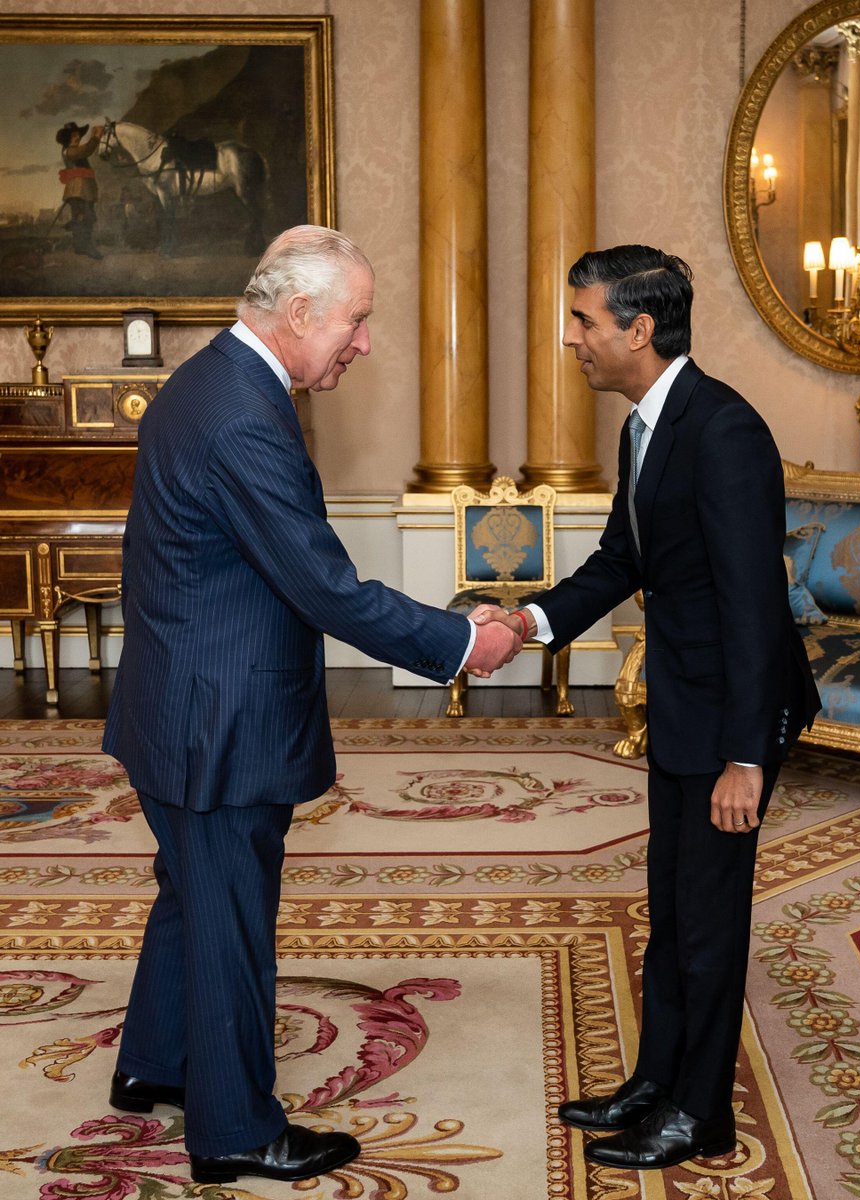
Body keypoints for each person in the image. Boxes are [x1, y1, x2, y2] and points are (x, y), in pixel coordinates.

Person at [101, 225, 521, 1186]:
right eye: (357, 320)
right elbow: (326, 587)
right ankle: (237, 1131)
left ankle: (156, 1065)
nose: (364, 343)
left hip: (179, 698)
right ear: (297, 315)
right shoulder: (244, 414)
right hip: (220, 720)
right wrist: (462, 641)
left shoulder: (209, 379)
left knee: (191, 891)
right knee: (231, 919)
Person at [472, 244, 820, 1171]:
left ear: (639, 329)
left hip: (730, 720)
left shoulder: (725, 431)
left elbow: (755, 603)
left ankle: (699, 1114)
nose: (571, 338)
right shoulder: (646, 426)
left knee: (708, 922)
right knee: (673, 910)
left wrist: (748, 754)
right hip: (686, 703)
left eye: (584, 321)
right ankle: (656, 1082)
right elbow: (625, 560)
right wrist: (534, 619)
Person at [55, 121, 104, 260]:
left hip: (81, 190)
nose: (77, 138)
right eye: (74, 135)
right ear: (67, 138)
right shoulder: (70, 151)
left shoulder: (72, 150)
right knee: (85, 218)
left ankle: (80, 247)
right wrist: (97, 136)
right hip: (79, 190)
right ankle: (86, 247)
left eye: (78, 135)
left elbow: (84, 150)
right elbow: (87, 150)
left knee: (81, 218)